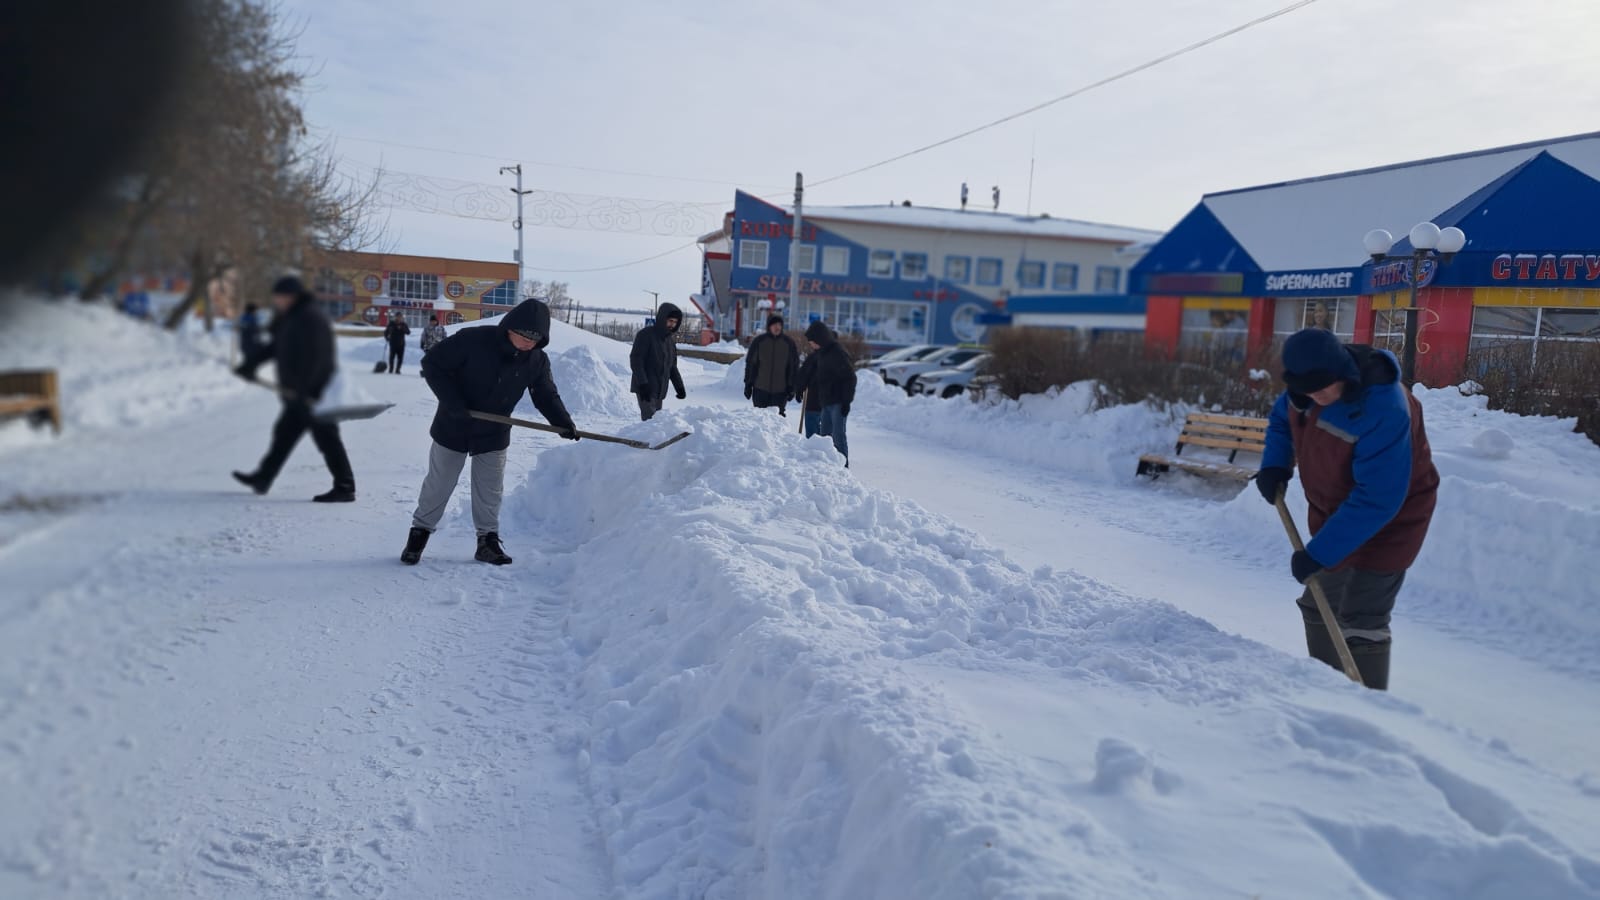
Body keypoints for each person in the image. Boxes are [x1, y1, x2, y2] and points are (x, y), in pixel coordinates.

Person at [1253, 328, 1440, 691]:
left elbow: (1378, 499)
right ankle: (1329, 690)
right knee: (1318, 604)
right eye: (1308, 390)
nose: (1317, 396)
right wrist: (1275, 463)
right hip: (1337, 516)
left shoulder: (1384, 406)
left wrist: (1319, 553)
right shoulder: (1305, 392)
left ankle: (1365, 706)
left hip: (1392, 523)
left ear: (1343, 371)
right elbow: (1282, 421)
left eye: (1324, 387)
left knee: (1362, 620)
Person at [402, 299, 578, 567]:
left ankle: (487, 541)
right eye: (524, 337)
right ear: (509, 328)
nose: (529, 344)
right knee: (440, 484)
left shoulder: (537, 360)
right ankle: (419, 533)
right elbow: (433, 364)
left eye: (535, 339)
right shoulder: (472, 340)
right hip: (453, 424)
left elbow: (545, 394)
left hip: (494, 431)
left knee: (490, 489)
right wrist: (453, 402)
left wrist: (562, 422)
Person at [231, 276, 355, 502]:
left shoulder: (310, 318)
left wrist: (309, 389)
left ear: (292, 296)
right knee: (284, 435)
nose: (277, 301)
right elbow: (275, 347)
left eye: (281, 297)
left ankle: (345, 487)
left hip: (313, 394)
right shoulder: (292, 317)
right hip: (298, 393)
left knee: (327, 439)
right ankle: (263, 478)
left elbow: (320, 356)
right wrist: (250, 365)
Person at [794, 320, 856, 466]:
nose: (811, 345)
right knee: (824, 439)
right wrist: (800, 387)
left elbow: (850, 378)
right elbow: (809, 372)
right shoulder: (822, 353)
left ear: (820, 339)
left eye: (812, 342)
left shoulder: (837, 353)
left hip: (838, 402)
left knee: (838, 437)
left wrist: (846, 401)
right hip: (825, 402)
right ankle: (827, 468)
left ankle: (843, 469)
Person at [630, 302, 686, 421]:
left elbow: (672, 367)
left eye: (675, 322)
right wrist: (643, 384)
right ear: (662, 318)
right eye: (670, 321)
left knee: (657, 422)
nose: (672, 324)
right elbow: (636, 360)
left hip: (660, 390)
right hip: (645, 387)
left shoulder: (670, 342)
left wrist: (679, 387)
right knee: (650, 421)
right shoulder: (645, 335)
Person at [743, 314, 799, 417]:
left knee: (777, 419)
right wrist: (748, 384)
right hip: (760, 389)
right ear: (769, 326)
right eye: (774, 325)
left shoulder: (789, 343)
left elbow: (794, 367)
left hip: (780, 391)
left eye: (779, 325)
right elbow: (751, 364)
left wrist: (792, 387)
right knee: (759, 419)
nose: (777, 327)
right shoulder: (759, 342)